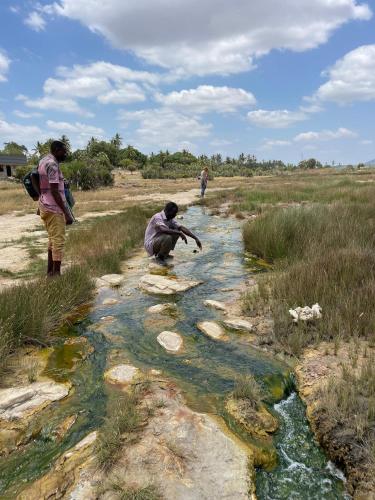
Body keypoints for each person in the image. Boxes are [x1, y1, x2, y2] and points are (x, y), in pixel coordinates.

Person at [38, 140, 73, 276]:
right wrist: (67, 213)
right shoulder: (52, 164)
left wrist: (40, 198)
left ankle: (50, 273)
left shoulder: (43, 160)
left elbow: (34, 177)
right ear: (57, 150)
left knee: (52, 240)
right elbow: (54, 191)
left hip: (45, 206)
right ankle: (56, 275)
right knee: (58, 242)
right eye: (64, 151)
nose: (65, 153)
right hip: (54, 209)